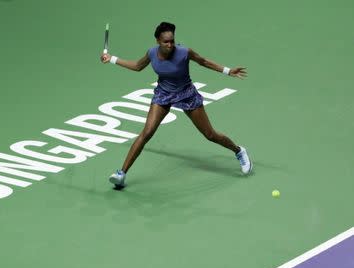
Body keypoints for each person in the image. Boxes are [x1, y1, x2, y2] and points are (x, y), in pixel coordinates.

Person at [100, 22, 252, 188]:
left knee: (210, 134)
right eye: (166, 42)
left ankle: (238, 151)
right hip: (163, 95)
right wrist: (112, 59)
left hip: (187, 95)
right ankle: (121, 174)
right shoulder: (151, 53)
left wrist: (228, 70)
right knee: (147, 132)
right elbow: (137, 66)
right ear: (158, 40)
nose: (170, 44)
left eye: (172, 41)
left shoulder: (184, 52)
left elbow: (204, 62)